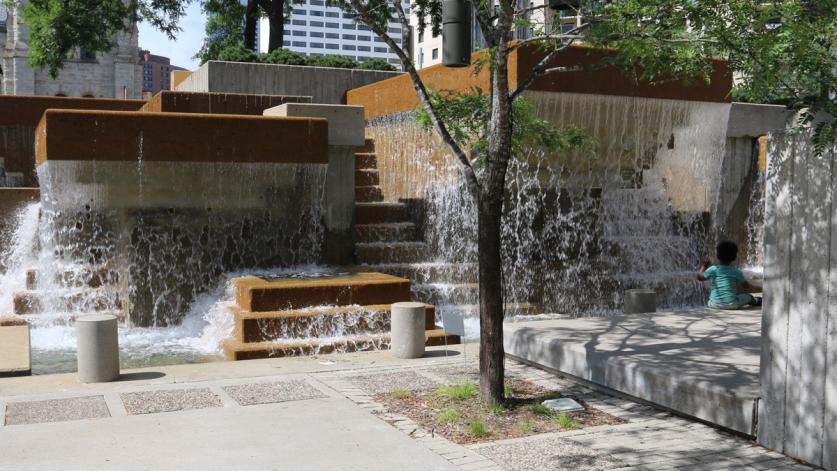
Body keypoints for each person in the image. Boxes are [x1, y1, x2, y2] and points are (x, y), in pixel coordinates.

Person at [696, 240, 762, 310]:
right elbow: (746, 286)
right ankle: (755, 301)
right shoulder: (736, 272)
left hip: (713, 304)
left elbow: (699, 277)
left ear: (718, 255)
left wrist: (703, 266)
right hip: (732, 305)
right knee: (748, 297)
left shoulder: (713, 269)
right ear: (734, 257)